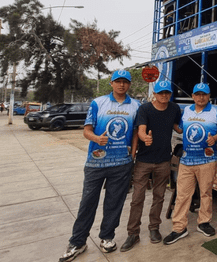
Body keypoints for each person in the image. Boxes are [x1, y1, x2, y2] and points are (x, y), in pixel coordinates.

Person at [58, 70, 140, 262]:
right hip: (96, 162)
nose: (122, 85)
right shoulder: (98, 103)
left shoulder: (136, 105)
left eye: (125, 82)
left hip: (122, 163)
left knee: (114, 202)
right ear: (111, 83)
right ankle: (78, 241)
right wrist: (96, 138)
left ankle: (107, 237)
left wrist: (133, 154)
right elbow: (87, 130)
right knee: (88, 202)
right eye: (118, 81)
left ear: (129, 85)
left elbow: (136, 132)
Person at [120, 80, 182, 252]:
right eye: (161, 92)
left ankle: (154, 228)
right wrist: (144, 138)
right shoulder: (145, 109)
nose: (164, 95)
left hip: (163, 160)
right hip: (144, 161)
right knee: (137, 198)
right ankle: (133, 233)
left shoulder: (174, 109)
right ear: (154, 94)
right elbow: (141, 129)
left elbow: (178, 127)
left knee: (159, 196)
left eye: (167, 93)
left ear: (170, 94)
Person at [162, 83, 217, 245]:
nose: (201, 97)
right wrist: (166, 119)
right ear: (193, 96)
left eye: (204, 94)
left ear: (209, 96)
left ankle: (204, 223)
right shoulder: (187, 111)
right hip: (187, 160)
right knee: (182, 194)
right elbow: (180, 129)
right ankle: (179, 228)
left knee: (206, 193)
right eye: (198, 94)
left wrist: (215, 139)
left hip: (207, 160)